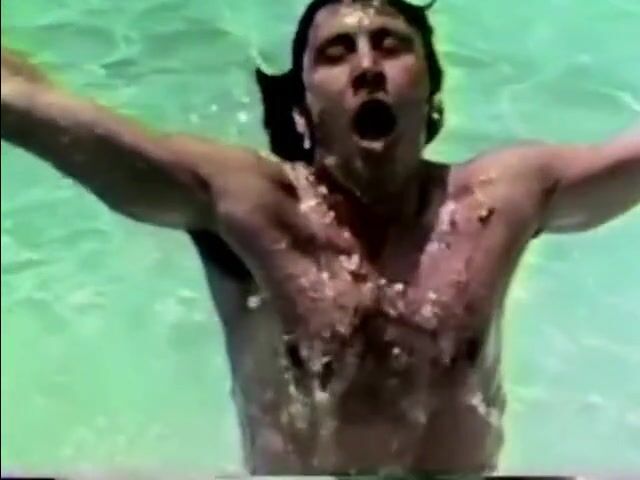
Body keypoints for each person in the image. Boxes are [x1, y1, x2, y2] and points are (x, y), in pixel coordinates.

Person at [1, 0, 638, 475]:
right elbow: (36, 106)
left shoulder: (496, 204)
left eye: (390, 45)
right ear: (303, 115)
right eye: (336, 53)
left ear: (433, 97)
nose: (367, 67)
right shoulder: (251, 207)